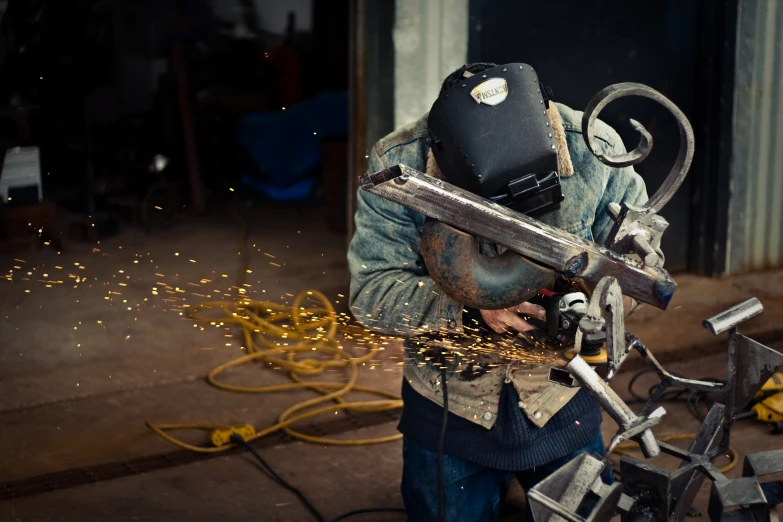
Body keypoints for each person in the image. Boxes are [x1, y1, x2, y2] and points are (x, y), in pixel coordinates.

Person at [348, 62, 660, 521]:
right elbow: (371, 295)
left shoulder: (595, 148)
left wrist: (589, 297)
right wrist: (469, 308)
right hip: (449, 413)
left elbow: (643, 274)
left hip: (562, 404)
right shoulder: (399, 167)